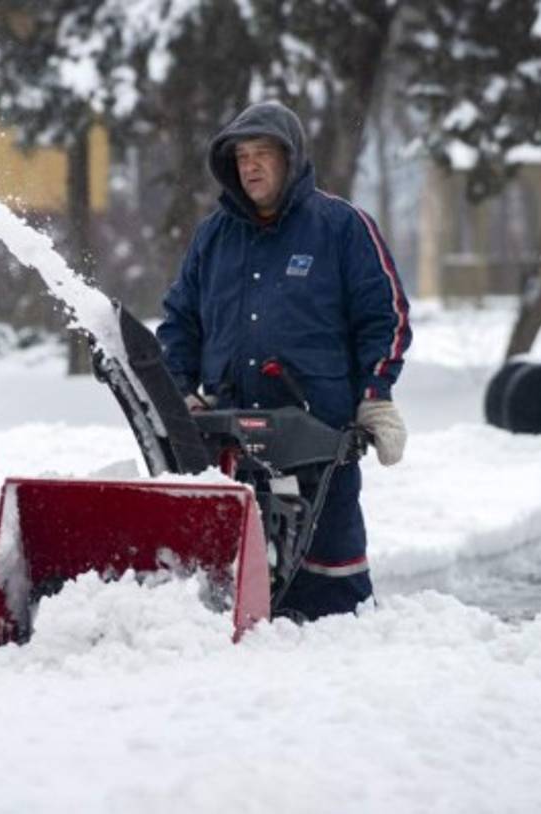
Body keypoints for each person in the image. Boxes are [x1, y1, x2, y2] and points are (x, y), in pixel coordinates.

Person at [157, 100, 411, 621]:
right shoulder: (215, 237)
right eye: (242, 156)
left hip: (319, 436)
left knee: (332, 585)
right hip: (230, 439)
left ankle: (341, 660)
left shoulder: (341, 227)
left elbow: (385, 315)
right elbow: (180, 321)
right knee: (237, 577)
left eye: (263, 154)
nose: (250, 166)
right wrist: (180, 388)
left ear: (291, 159)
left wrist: (375, 396)